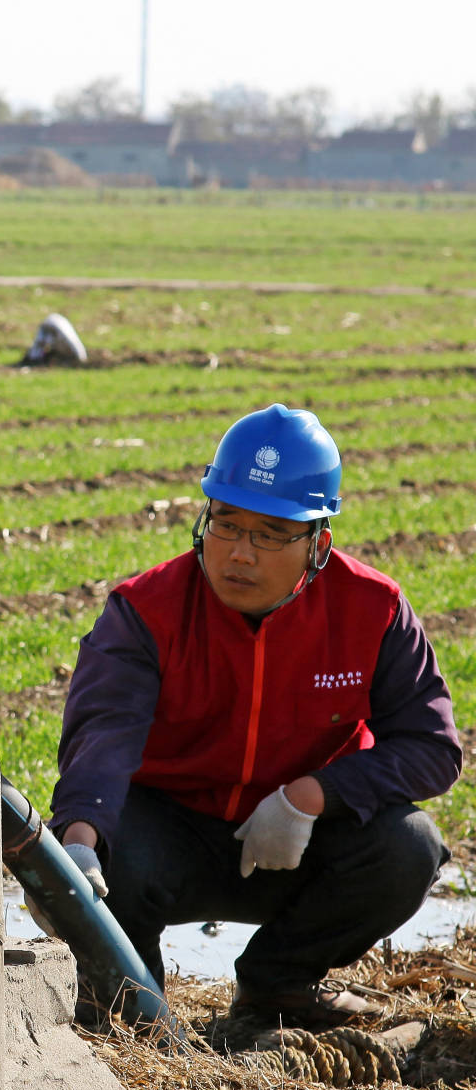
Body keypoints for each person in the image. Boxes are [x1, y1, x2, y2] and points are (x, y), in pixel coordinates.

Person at [49, 403, 461, 1028]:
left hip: (296, 841)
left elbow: (433, 746)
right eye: (225, 522)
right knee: (107, 847)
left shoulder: (372, 609)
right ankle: (129, 1005)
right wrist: (75, 847)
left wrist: (312, 795)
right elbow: (103, 737)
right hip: (170, 836)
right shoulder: (146, 610)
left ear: (319, 543)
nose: (239, 553)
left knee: (409, 849)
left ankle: (279, 987)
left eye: (271, 533)